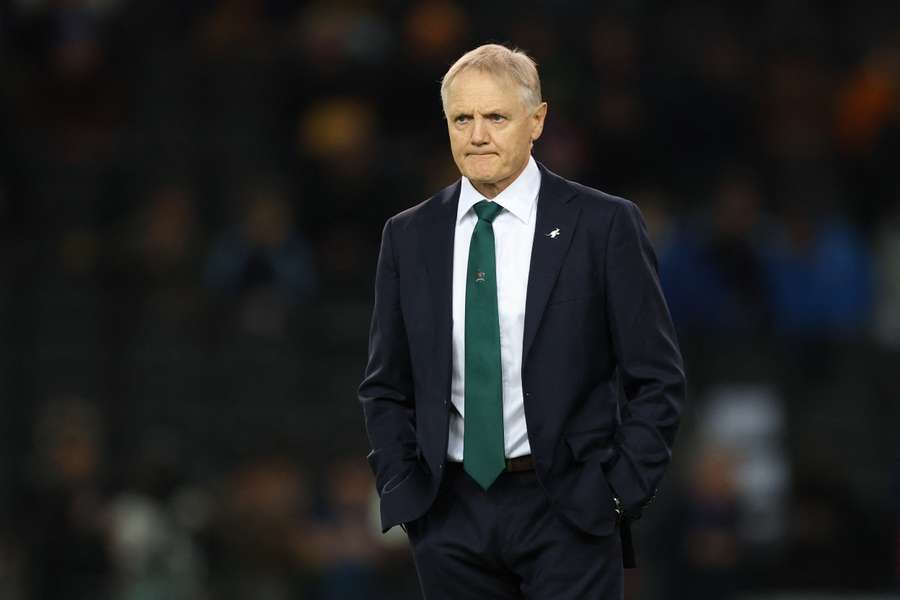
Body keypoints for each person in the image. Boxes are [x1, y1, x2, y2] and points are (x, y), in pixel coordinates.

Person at [358, 43, 686, 599]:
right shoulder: (409, 235)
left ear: (537, 122)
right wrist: (403, 489)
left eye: (496, 117)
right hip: (449, 515)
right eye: (463, 118)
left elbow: (657, 379)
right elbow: (386, 385)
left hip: (569, 511)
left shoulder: (604, 225)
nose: (477, 135)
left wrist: (616, 495)